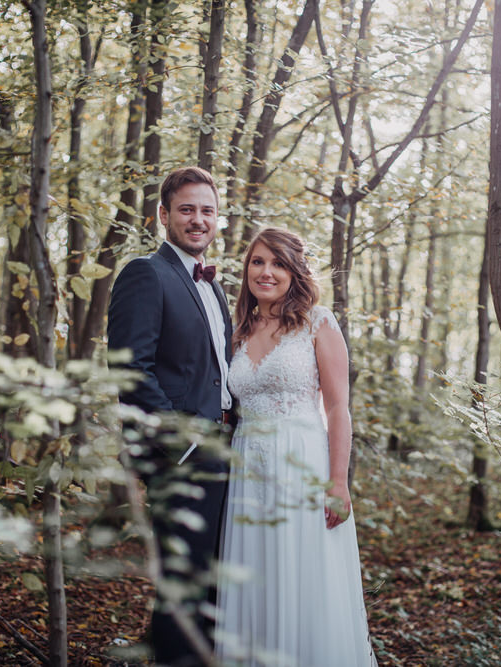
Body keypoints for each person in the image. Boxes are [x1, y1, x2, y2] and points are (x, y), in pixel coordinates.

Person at [215, 227, 377, 666]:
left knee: (304, 578)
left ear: (295, 271)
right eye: (258, 262)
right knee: (256, 579)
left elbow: (339, 407)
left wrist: (338, 482)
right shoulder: (237, 329)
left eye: (278, 263)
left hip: (303, 464)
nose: (266, 272)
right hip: (247, 469)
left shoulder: (317, 322)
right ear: (247, 268)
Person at [107, 166, 233, 667]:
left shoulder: (213, 286)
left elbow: (215, 374)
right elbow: (129, 369)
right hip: (180, 456)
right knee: (183, 584)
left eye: (206, 210)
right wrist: (184, 443)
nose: (197, 219)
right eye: (186, 209)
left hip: (224, 451)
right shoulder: (145, 273)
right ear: (163, 215)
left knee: (212, 578)